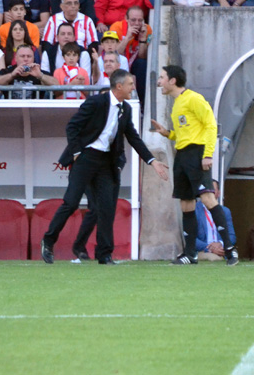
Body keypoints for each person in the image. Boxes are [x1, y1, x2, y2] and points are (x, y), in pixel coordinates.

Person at [42, 68, 168, 264]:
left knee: (107, 207)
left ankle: (104, 254)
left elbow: (133, 138)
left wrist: (152, 161)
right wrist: (76, 153)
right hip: (85, 157)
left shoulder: (125, 110)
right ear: (119, 86)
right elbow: (72, 127)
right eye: (130, 84)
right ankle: (48, 241)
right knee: (71, 202)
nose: (133, 88)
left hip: (106, 162)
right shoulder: (95, 102)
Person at [150, 65, 239, 265]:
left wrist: (208, 155)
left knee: (208, 199)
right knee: (186, 204)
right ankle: (190, 254)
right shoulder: (177, 104)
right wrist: (168, 134)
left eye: (162, 77)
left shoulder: (194, 99)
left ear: (173, 80)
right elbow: (185, 134)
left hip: (197, 154)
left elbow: (210, 125)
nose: (160, 82)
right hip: (182, 155)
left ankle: (230, 250)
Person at [195, 191, 236, 261]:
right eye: (208, 190)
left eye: (213, 190)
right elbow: (191, 239)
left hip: (222, 249)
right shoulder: (194, 210)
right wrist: (210, 248)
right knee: (214, 258)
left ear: (218, 193)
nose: (210, 193)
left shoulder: (225, 211)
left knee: (234, 254)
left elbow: (232, 236)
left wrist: (221, 244)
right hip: (203, 250)